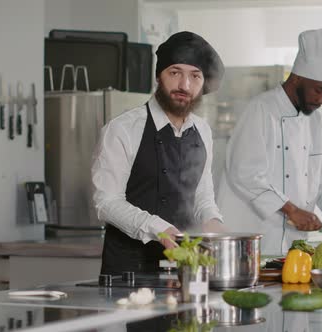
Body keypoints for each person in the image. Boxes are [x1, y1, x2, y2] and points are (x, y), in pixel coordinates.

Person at [217, 28, 322, 256]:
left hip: (292, 245)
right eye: (319, 90)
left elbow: (321, 177)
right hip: (252, 238)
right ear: (297, 78)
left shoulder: (314, 122)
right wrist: (292, 210)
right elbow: (245, 173)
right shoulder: (261, 109)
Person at [91, 31, 225, 275]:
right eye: (175, 73)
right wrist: (158, 228)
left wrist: (213, 221)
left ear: (203, 83)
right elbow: (107, 202)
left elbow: (202, 195)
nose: (185, 85)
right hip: (129, 271)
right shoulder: (123, 129)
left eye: (195, 76)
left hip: (184, 269)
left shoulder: (202, 131)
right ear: (158, 76)